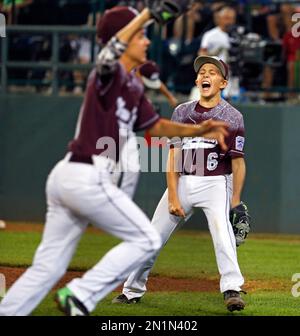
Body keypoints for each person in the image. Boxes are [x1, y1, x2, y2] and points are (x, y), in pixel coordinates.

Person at [0, 6, 229, 316]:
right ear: (124, 38)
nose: (147, 42)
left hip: (69, 178)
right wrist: (147, 13)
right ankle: (81, 294)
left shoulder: (133, 86)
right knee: (147, 239)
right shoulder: (107, 73)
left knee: (47, 268)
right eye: (141, 36)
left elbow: (156, 128)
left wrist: (199, 128)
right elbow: (111, 48)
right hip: (86, 176)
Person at [113, 55, 247, 312]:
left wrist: (235, 200)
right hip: (183, 180)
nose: (206, 75)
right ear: (197, 80)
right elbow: (173, 155)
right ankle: (132, 290)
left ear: (223, 82)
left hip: (215, 182)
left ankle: (232, 288)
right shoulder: (182, 112)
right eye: (202, 72)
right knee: (153, 236)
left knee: (222, 233)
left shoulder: (233, 117)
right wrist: (173, 196)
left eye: (212, 72)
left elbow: (237, 162)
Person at [114, 60, 179, 199]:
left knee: (132, 169)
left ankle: (123, 206)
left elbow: (156, 82)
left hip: (126, 132)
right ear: (138, 73)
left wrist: (169, 96)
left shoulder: (139, 82)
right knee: (112, 173)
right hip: (110, 128)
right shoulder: (124, 76)